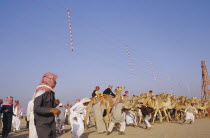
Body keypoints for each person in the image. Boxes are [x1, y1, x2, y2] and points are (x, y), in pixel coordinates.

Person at [34, 72, 61, 138]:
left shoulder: (51, 92)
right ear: (48, 80)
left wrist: (55, 104)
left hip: (51, 122)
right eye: (54, 81)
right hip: (42, 123)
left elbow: (49, 107)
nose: (55, 83)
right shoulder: (40, 91)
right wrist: (51, 110)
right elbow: (36, 108)